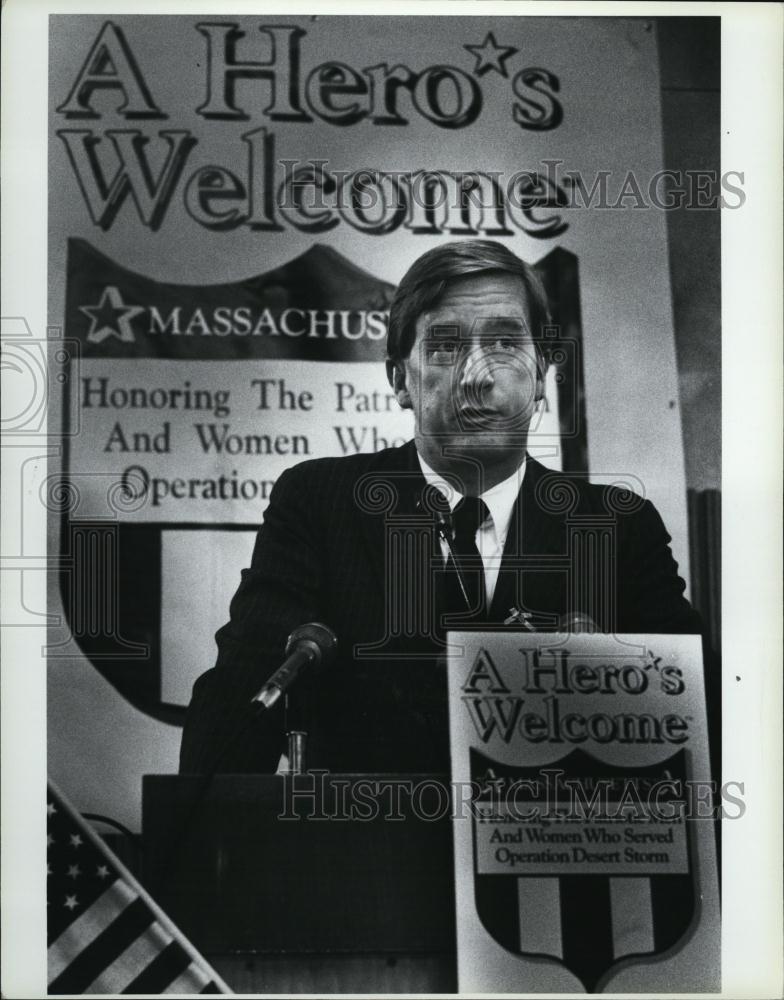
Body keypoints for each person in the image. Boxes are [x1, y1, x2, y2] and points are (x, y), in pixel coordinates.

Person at [180, 239, 702, 775]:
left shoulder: (618, 528)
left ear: (542, 373)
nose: (477, 376)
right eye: (446, 347)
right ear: (400, 380)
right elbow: (238, 703)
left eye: (505, 343)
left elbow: (697, 720)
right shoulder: (318, 503)